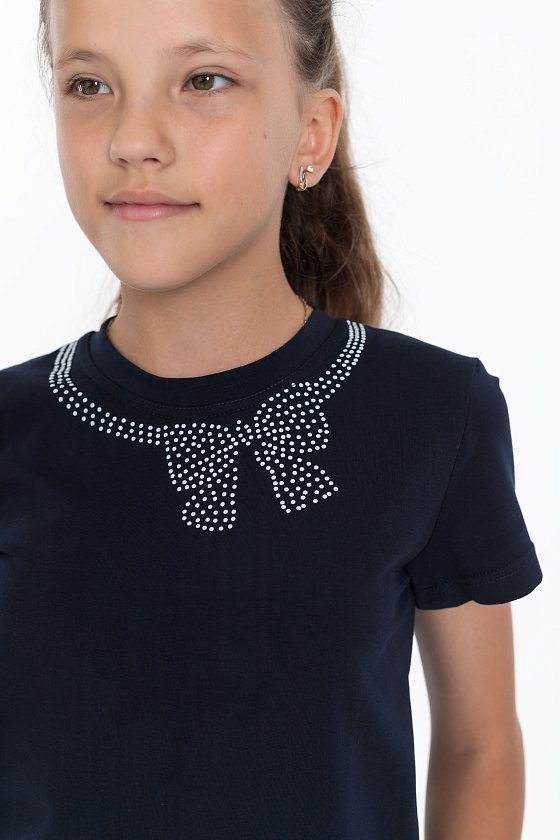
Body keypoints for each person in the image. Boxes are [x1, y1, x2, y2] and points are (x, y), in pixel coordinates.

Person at [0, 0, 543, 837]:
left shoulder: (434, 417)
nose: (134, 140)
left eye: (203, 80)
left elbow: (479, 746)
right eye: (90, 85)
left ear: (311, 133)